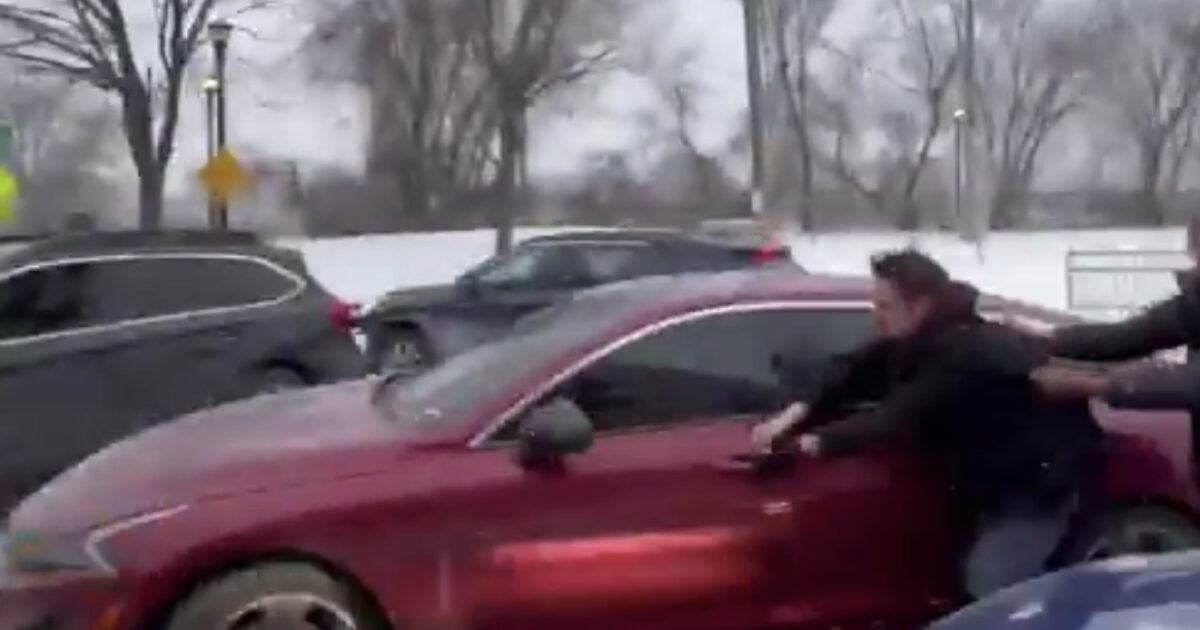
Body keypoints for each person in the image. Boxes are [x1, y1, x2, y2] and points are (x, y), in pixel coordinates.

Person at [753, 249, 1104, 599]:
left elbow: (900, 413)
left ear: (919, 305)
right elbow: (847, 371)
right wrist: (794, 413)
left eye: (885, 307)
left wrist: (816, 442)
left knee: (993, 586)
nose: (875, 318)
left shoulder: (965, 350)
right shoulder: (911, 342)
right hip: (984, 485)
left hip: (1035, 487)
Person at [1032, 216, 1200, 485]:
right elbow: (1127, 336)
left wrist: (1099, 384)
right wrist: (1048, 340)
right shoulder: (1194, 305)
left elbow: (1189, 381)